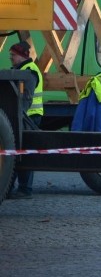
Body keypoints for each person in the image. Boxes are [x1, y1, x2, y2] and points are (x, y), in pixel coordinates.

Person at [7, 41, 43, 199]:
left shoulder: (29, 71)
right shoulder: (21, 69)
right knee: (16, 152)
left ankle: (24, 189)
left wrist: (17, 115)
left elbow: (25, 98)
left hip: (29, 117)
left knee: (24, 153)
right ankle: (11, 187)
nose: (11, 58)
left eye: (13, 55)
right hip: (25, 116)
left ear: (21, 56)